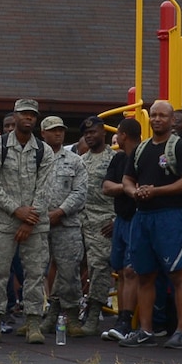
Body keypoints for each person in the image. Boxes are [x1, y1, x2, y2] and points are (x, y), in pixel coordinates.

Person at [121, 101, 182, 348]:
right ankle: (145, 331)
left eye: (162, 115)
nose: (157, 119)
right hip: (143, 217)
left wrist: (156, 191)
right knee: (144, 274)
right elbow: (127, 179)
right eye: (153, 115)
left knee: (178, 274)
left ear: (172, 119)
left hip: (171, 215)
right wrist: (135, 193)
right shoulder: (141, 149)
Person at [0, 98, 55, 345]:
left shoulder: (44, 150)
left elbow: (46, 188)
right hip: (2, 223)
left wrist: (29, 219)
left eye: (32, 115)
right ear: (14, 116)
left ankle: (33, 324)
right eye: (24, 114)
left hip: (35, 223)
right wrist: (16, 211)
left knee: (35, 274)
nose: (28, 118)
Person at [35, 115, 89, 337]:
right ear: (43, 134)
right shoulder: (34, 158)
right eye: (53, 130)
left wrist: (60, 211)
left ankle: (72, 316)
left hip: (66, 224)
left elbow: (80, 192)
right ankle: (40, 316)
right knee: (36, 271)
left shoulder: (75, 161)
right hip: (37, 223)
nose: (58, 133)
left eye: (61, 130)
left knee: (68, 271)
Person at [100, 118, 143, 342]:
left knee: (131, 270)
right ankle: (121, 319)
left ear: (123, 135)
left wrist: (125, 189)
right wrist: (127, 188)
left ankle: (126, 320)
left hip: (139, 218)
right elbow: (106, 187)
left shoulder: (143, 155)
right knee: (120, 269)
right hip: (122, 218)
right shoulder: (118, 158)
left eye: (118, 133)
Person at [75, 117, 117, 337]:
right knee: (71, 265)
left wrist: (117, 221)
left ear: (103, 132)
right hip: (80, 221)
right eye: (86, 134)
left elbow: (126, 191)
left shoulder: (116, 159)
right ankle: (69, 311)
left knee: (99, 268)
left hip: (104, 223)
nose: (90, 136)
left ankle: (93, 315)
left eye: (93, 132)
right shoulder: (80, 160)